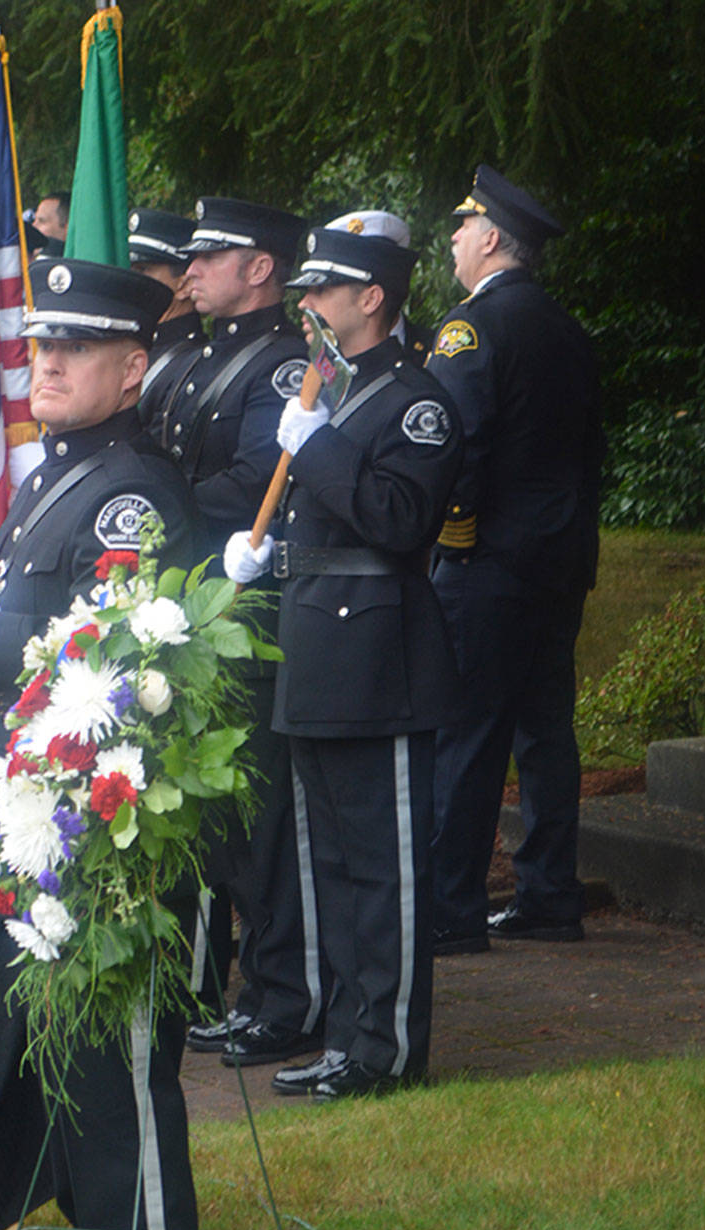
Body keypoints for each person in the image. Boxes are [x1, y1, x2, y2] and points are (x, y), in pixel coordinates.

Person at [0, 257, 201, 1230]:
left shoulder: (134, 490)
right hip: (38, 803)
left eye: (73, 349)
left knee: (118, 1063)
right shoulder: (51, 476)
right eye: (40, 346)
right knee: (67, 1044)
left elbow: (112, 659)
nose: (46, 364)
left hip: (107, 817)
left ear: (132, 368)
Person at [223, 217, 466, 1101]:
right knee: (333, 862)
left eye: (327, 289)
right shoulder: (339, 389)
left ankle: (389, 1047)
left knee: (383, 865)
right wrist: (268, 556)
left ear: (373, 297)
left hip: (379, 655)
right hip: (317, 643)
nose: (312, 304)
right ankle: (347, 1033)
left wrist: (313, 444)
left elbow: (400, 521)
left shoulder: (418, 400)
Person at [154, 197, 325, 1072]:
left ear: (260, 267)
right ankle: (251, 984)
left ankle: (285, 994)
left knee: (261, 818)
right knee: (223, 819)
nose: (192, 269)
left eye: (210, 256)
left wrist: (157, 515)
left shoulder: (282, 365)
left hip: (247, 611)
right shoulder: (198, 358)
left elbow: (259, 480)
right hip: (195, 609)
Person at [426, 166, 606, 947]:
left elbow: (455, 450)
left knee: (466, 736)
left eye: (464, 227)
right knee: (545, 731)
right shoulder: (567, 325)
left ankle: (452, 909)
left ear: (493, 237)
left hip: (488, 560)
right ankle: (548, 893)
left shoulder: (470, 329)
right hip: (560, 558)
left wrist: (448, 539)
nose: (455, 239)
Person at [126, 208, 202, 444]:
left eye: (144, 271)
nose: (132, 281)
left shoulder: (194, 362)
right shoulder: (138, 346)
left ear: (184, 285)